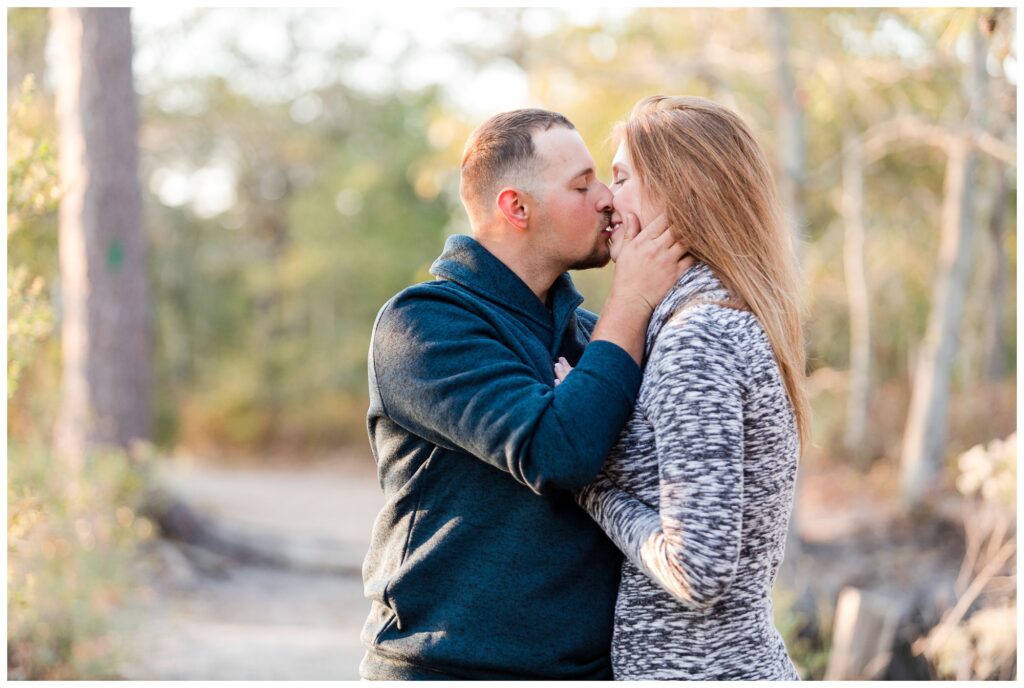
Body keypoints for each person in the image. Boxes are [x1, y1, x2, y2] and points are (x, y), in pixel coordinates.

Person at [359, 108, 691, 680]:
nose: (607, 199)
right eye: (582, 184)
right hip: (448, 669)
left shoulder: (593, 334)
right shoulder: (422, 326)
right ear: (516, 207)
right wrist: (632, 299)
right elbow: (558, 452)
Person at [558, 95, 810, 680]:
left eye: (620, 178)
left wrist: (589, 482)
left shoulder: (701, 336)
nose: (605, 200)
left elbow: (697, 571)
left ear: (678, 193)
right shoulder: (702, 320)